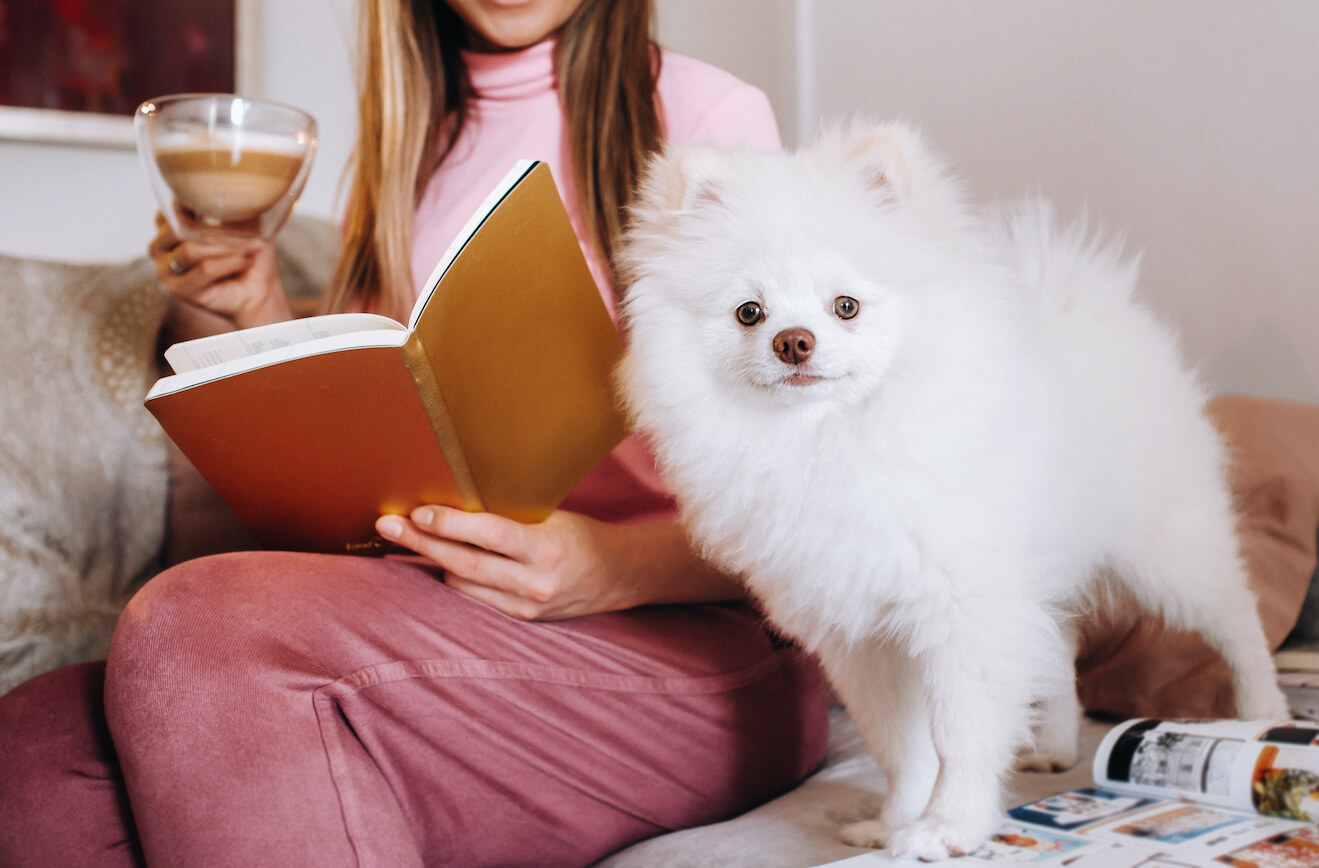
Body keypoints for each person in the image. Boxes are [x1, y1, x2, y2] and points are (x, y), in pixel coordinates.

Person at [0, 1, 830, 865]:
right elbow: (377, 444)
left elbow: (808, 495)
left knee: (190, 628)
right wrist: (253, 311)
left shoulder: (707, 119)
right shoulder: (405, 146)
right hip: (449, 621)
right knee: (33, 753)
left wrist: (605, 568)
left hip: (695, 647)